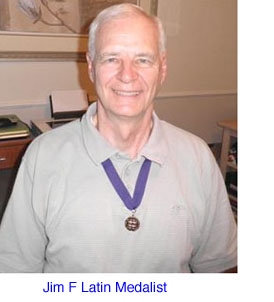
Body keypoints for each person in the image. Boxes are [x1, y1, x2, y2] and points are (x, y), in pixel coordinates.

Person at [0, 3, 237, 273]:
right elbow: (14, 273)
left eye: (143, 59)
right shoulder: (42, 156)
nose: (127, 75)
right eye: (111, 58)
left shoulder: (198, 159)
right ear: (91, 67)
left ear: (162, 68)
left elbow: (221, 269)